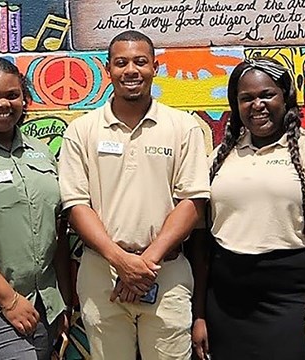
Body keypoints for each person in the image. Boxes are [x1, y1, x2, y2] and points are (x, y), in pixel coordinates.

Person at [58, 30, 210, 360]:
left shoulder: (183, 127)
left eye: (140, 62)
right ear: (107, 69)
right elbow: (75, 205)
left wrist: (144, 264)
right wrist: (120, 260)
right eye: (121, 62)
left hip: (166, 274)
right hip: (101, 274)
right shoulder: (81, 130)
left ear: (155, 67)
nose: (131, 70)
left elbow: (193, 202)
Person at [190, 56, 305, 360]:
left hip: (290, 300)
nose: (257, 105)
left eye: (267, 94)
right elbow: (201, 244)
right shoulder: (220, 157)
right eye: (246, 98)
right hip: (225, 303)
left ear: (286, 97)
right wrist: (199, 315)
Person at [0, 57, 71, 359]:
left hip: (43, 307)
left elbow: (58, 232)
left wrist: (63, 301)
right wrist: (9, 300)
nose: (3, 103)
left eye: (12, 95)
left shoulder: (41, 152)